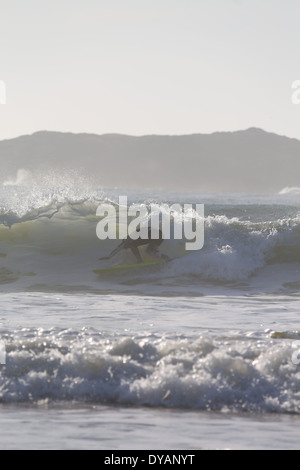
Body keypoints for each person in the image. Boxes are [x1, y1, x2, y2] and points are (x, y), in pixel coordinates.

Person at [100, 227, 166, 264]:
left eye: (125, 246)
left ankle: (140, 260)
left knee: (133, 246)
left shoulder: (128, 240)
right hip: (159, 235)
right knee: (150, 251)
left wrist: (109, 257)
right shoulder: (131, 238)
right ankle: (167, 259)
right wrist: (109, 256)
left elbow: (119, 247)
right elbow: (120, 246)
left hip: (156, 235)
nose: (125, 248)